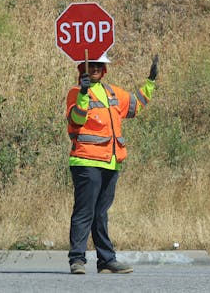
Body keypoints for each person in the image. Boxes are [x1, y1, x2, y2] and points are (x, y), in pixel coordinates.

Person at [65, 52, 159, 274]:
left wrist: (151, 81)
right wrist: (85, 93)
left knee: (100, 214)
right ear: (83, 67)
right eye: (92, 64)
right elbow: (77, 118)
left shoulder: (113, 92)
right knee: (84, 212)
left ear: (104, 68)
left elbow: (136, 106)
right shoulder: (76, 92)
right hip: (86, 160)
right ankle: (77, 260)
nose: (96, 68)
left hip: (111, 162)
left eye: (100, 64)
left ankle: (106, 260)